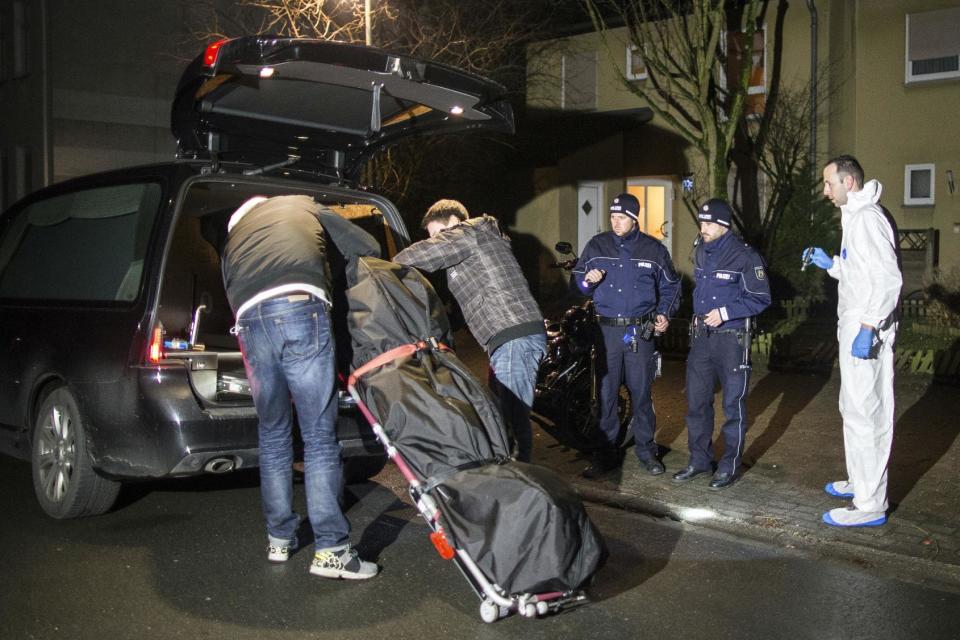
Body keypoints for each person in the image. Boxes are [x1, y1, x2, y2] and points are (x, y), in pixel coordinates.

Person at [222, 194, 381, 578]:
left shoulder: (232, 243)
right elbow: (367, 245)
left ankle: (279, 538)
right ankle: (331, 550)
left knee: (273, 434)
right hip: (298, 307)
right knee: (318, 435)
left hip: (249, 323)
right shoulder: (299, 204)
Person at [393, 199, 546, 463]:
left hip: (513, 333)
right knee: (503, 412)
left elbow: (419, 256)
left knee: (511, 417)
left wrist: (384, 265)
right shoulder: (476, 242)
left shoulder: (470, 233)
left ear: (453, 222)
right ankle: (514, 476)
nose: (436, 240)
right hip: (507, 336)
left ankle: (521, 480)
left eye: (438, 234)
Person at [806, 155, 902, 527]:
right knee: (853, 408)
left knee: (868, 414)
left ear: (849, 182)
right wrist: (831, 263)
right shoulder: (855, 219)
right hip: (855, 327)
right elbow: (861, 274)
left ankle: (870, 504)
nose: (825, 191)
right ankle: (860, 481)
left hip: (867, 332)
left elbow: (888, 280)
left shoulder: (867, 220)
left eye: (829, 184)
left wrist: (869, 326)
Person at [572, 193, 681, 478]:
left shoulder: (653, 250)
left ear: (634, 219)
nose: (615, 222)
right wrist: (587, 281)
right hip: (606, 331)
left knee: (641, 393)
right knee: (606, 395)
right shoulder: (597, 246)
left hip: (638, 332)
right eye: (612, 217)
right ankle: (605, 455)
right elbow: (579, 281)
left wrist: (663, 313)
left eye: (621, 217)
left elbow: (671, 287)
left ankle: (647, 452)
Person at [673, 198, 771, 490]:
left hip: (731, 339)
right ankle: (699, 460)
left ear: (723, 225)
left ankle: (729, 466)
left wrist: (726, 313)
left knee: (733, 406)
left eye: (708, 224)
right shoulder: (701, 250)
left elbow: (761, 298)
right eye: (701, 223)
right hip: (702, 339)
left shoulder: (745, 256)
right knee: (696, 402)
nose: (703, 228)